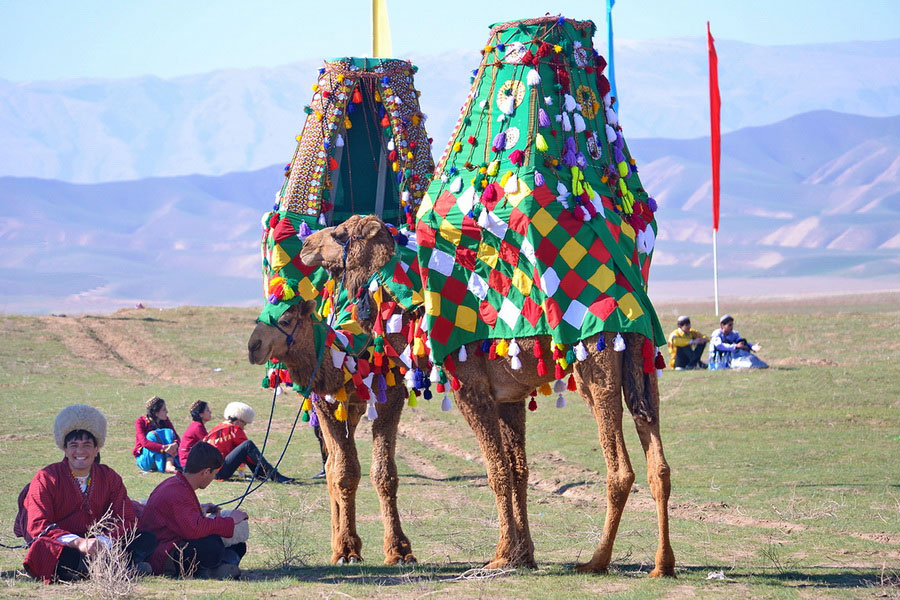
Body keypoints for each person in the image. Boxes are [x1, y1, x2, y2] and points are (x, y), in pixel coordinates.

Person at [22, 404, 156, 583]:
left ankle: (93, 568)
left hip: (101, 544)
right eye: (74, 445)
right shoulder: (46, 478)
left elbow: (126, 518)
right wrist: (78, 542)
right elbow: (38, 524)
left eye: (86, 445)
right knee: (45, 549)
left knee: (145, 538)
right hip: (65, 545)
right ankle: (116, 567)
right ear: (65, 449)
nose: (80, 451)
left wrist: (102, 541)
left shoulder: (109, 477)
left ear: (96, 448)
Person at [139, 442, 248, 579]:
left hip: (172, 542)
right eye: (214, 474)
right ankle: (215, 568)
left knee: (239, 546)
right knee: (212, 545)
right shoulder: (177, 492)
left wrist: (201, 509)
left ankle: (215, 569)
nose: (213, 478)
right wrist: (231, 521)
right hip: (164, 554)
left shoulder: (177, 484)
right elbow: (194, 529)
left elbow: (182, 519)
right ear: (206, 472)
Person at [204, 401, 294, 484]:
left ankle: (262, 474)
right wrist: (265, 469)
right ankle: (275, 475)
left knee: (247, 448)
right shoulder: (235, 430)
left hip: (210, 472)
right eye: (244, 424)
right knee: (248, 445)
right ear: (239, 421)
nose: (243, 428)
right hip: (219, 472)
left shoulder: (217, 428)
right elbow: (250, 454)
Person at [134, 396, 181, 473]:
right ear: (156, 412)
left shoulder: (165, 420)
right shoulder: (141, 421)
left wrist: (175, 444)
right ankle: (166, 464)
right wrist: (164, 448)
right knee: (151, 436)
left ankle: (169, 464)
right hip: (147, 459)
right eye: (164, 409)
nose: (167, 411)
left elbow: (175, 436)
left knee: (168, 432)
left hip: (164, 455)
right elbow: (144, 443)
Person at [179, 400, 212, 467]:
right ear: (201, 414)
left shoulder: (196, 425)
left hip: (189, 459)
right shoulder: (197, 427)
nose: (210, 412)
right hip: (189, 461)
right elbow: (209, 444)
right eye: (207, 410)